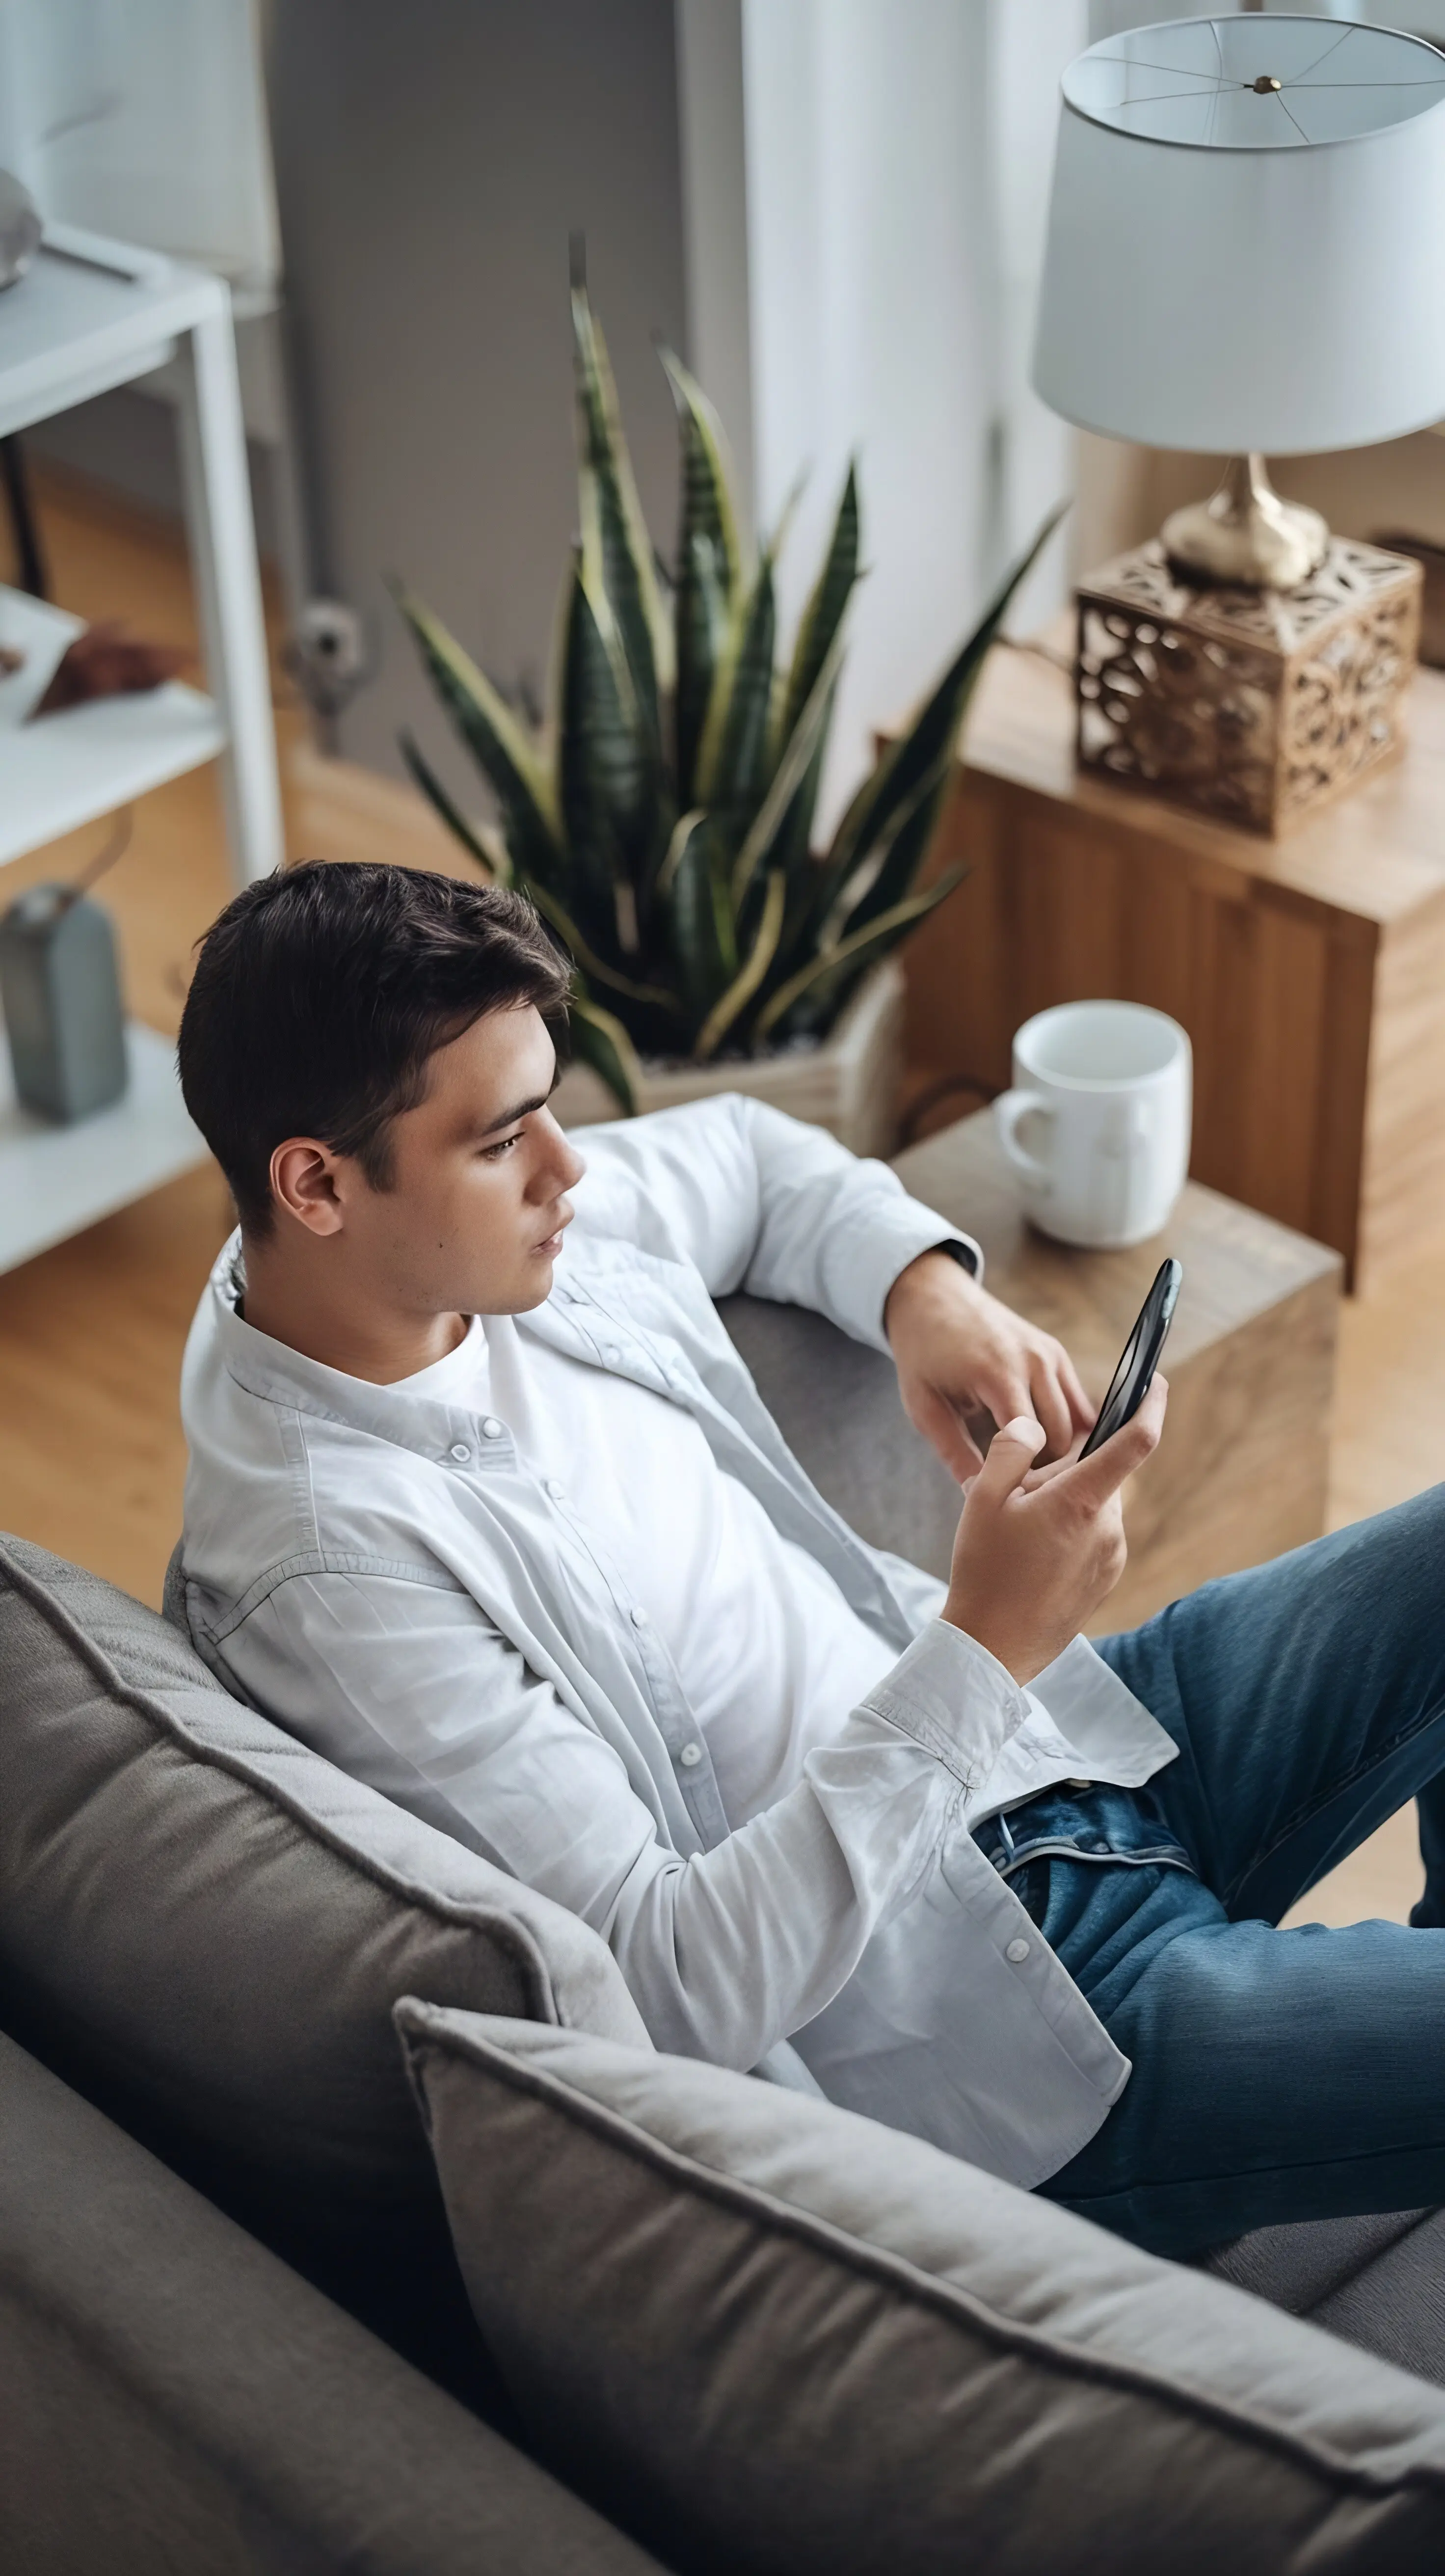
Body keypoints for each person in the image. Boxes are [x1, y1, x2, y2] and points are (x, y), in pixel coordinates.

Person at [175, 860, 1445, 2258]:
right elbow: (670, 1983)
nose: (571, 1169)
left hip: (1079, 1740)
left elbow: (742, 1154)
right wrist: (981, 1646)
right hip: (1018, 2021)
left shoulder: (453, 1265)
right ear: (315, 1184)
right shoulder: (333, 1575)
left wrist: (925, 1291)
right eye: (504, 1139)